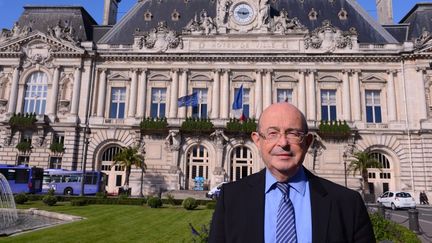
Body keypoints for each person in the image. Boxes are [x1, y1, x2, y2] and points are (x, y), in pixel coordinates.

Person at [209, 103, 375, 243]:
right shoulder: (230, 199)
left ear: (308, 142)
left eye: (293, 134)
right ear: (258, 141)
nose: (283, 143)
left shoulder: (348, 204)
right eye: (272, 133)